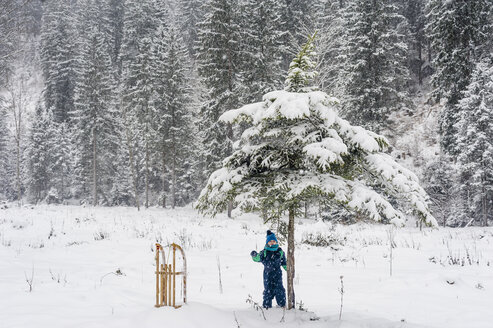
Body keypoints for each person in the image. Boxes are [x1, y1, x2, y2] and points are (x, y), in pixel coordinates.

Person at [250, 230, 287, 309]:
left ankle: (282, 305)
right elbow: (257, 258)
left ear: (276, 242)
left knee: (279, 289)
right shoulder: (265, 252)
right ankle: (267, 307)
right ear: (267, 243)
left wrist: (288, 269)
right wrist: (254, 255)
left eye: (274, 241)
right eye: (270, 242)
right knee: (268, 290)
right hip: (267, 275)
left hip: (277, 274)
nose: (272, 243)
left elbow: (284, 263)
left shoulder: (280, 252)